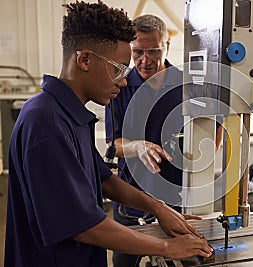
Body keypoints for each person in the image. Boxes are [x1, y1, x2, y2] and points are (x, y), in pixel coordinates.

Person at [4, 2, 213, 267]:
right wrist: (167, 248)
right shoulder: (46, 123)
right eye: (119, 69)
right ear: (84, 60)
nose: (125, 81)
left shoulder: (71, 115)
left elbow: (104, 180)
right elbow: (84, 226)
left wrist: (158, 208)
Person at [105, 14, 187, 267]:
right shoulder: (119, 85)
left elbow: (214, 126)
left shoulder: (186, 84)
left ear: (167, 45)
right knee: (124, 261)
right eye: (138, 52)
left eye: (154, 51)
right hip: (131, 197)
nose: (145, 60)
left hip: (175, 197)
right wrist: (137, 146)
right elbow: (113, 145)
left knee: (178, 260)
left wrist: (202, 161)